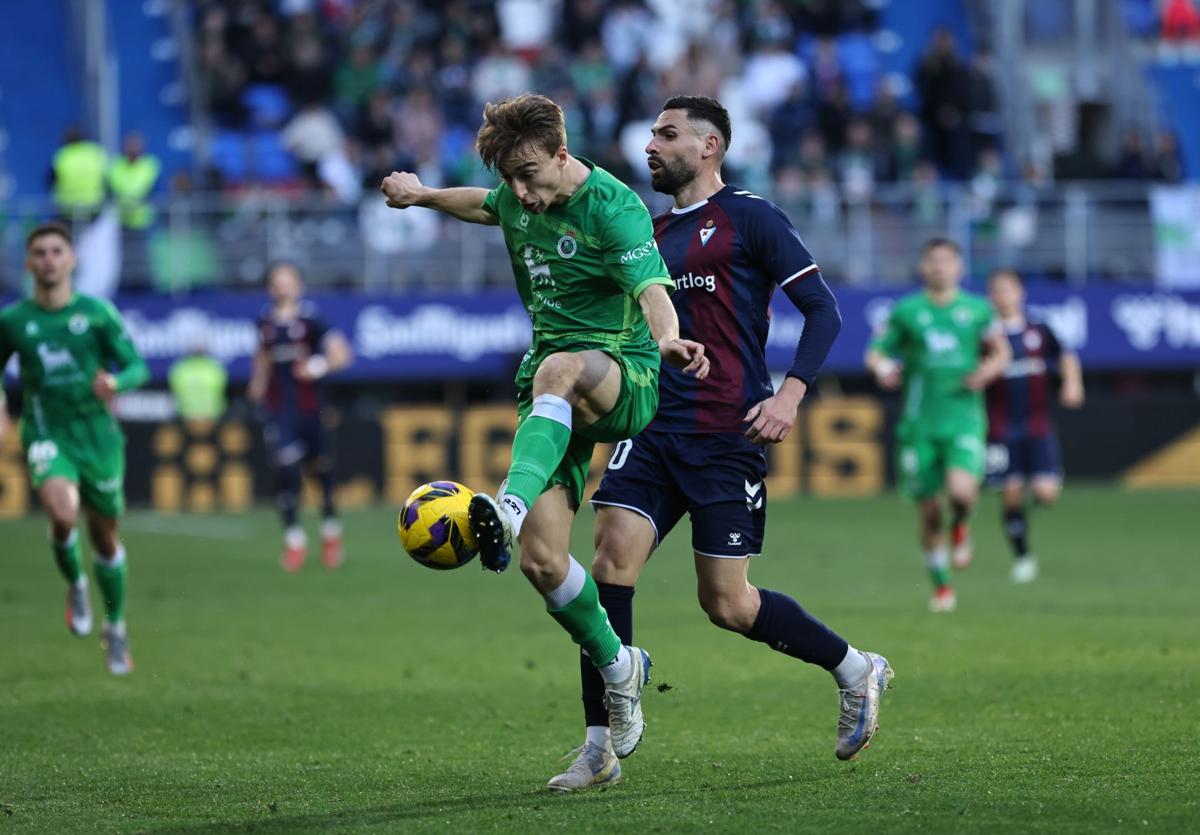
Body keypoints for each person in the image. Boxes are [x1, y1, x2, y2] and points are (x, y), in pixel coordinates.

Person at [549, 96, 894, 793]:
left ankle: (856, 667)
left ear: (710, 146)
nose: (652, 143)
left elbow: (824, 310)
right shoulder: (646, 232)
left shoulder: (752, 217)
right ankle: (598, 745)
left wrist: (791, 393)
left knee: (727, 604)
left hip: (725, 434)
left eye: (667, 134)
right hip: (650, 425)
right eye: (650, 131)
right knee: (609, 560)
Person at [380, 93, 709, 763]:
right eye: (511, 177)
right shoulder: (514, 195)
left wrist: (670, 340)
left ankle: (507, 501)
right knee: (542, 561)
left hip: (625, 375)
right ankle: (621, 666)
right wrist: (420, 196)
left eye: (530, 175)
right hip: (552, 388)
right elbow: (482, 204)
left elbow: (651, 289)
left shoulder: (612, 208)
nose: (521, 193)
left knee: (558, 368)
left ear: (563, 154)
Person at [0, 222, 149, 674]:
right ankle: (76, 583)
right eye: (40, 253)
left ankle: (117, 626)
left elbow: (137, 366)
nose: (48, 259)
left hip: (99, 439)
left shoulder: (97, 314)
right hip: (47, 433)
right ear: (28, 264)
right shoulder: (13, 321)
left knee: (105, 536)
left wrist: (116, 381)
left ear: (71, 260)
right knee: (63, 514)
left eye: (56, 251)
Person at [865, 238, 1011, 612]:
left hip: (963, 417)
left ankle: (961, 525)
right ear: (923, 267)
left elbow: (1001, 353)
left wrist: (987, 372)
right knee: (929, 511)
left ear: (960, 268)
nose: (939, 267)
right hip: (919, 424)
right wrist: (883, 369)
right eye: (933, 261)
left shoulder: (978, 310)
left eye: (946, 261)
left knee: (961, 492)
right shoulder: (907, 311)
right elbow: (876, 352)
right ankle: (942, 586)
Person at [246, 262, 353, 572]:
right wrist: (257, 388)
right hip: (281, 410)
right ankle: (294, 541)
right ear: (269, 288)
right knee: (286, 471)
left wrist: (317, 366)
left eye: (287, 281)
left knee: (322, 474)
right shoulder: (264, 322)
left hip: (311, 408)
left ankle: (331, 533)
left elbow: (342, 354)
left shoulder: (311, 319)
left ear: (298, 285)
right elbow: (262, 359)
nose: (282, 287)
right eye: (276, 281)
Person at [985, 269, 1084, 583]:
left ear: (1021, 293)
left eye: (1008, 289)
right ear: (991, 297)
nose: (1003, 296)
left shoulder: (1038, 329)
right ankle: (1023, 557)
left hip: (1037, 425)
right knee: (1010, 493)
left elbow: (1066, 355)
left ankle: (1031, 497)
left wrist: (1072, 383)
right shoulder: (985, 335)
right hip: (1000, 428)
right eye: (997, 291)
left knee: (1047, 493)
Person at [169, 343, 228, 422]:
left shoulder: (180, 368)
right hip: (210, 415)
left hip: (189, 415)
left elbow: (174, 389)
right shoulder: (215, 367)